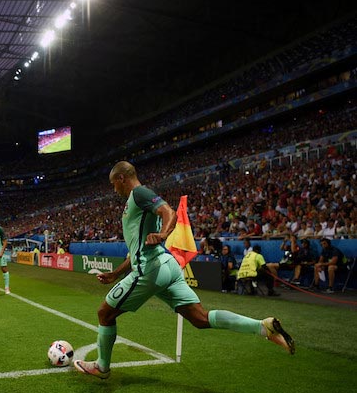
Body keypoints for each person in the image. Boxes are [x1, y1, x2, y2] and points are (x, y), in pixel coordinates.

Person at [73, 161, 294, 380]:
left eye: (114, 184)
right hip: (167, 267)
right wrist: (116, 273)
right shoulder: (136, 203)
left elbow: (168, 212)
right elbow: (136, 251)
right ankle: (263, 327)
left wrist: (163, 235)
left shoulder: (139, 193)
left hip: (150, 270)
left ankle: (102, 367)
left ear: (121, 178)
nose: (114, 189)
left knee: (105, 313)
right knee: (200, 318)